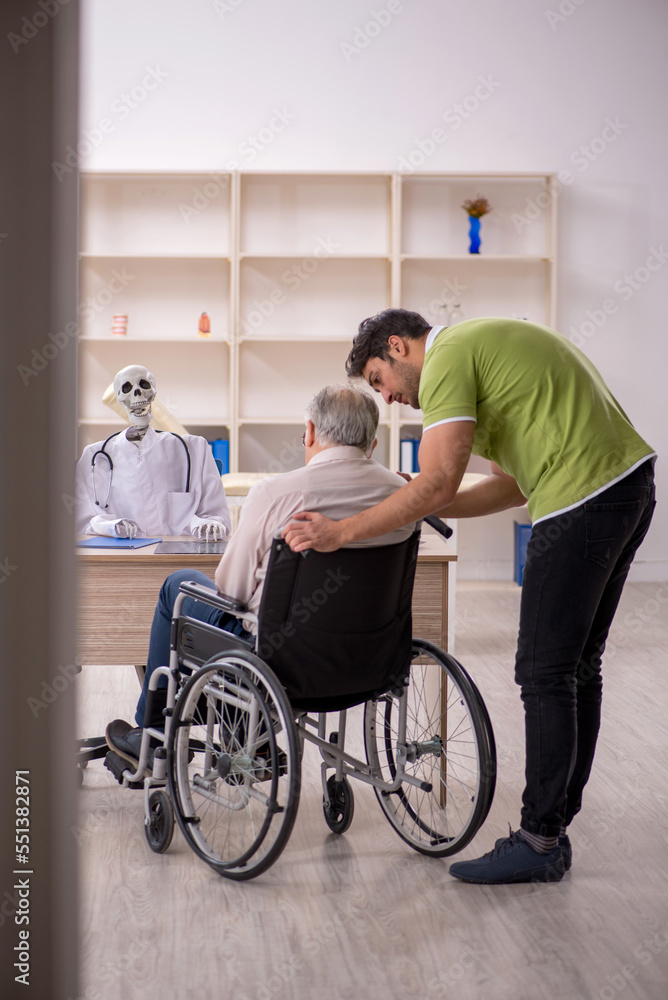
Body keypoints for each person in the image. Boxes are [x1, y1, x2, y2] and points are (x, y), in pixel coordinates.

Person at [283, 309, 656, 884]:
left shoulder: (449, 357)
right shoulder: (484, 356)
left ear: (398, 347)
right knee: (577, 667)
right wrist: (402, 495)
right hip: (626, 485)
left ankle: (539, 841)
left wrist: (340, 531)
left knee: (544, 671)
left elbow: (440, 482)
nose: (389, 399)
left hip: (582, 495)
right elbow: (505, 486)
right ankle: (553, 828)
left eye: (381, 381)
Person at [105, 383, 416, 771]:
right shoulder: (405, 495)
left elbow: (230, 589)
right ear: (372, 443)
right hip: (372, 659)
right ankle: (250, 740)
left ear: (312, 431)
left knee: (179, 587)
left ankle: (151, 733)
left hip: (280, 660)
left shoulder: (276, 494)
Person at [76, 365, 230, 540]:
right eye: (127, 389)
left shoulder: (195, 449)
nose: (137, 394)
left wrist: (203, 524)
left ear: (154, 392)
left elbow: (217, 515)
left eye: (144, 386)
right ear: (120, 398)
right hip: (124, 556)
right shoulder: (95, 457)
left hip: (181, 554)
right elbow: (83, 521)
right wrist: (110, 526)